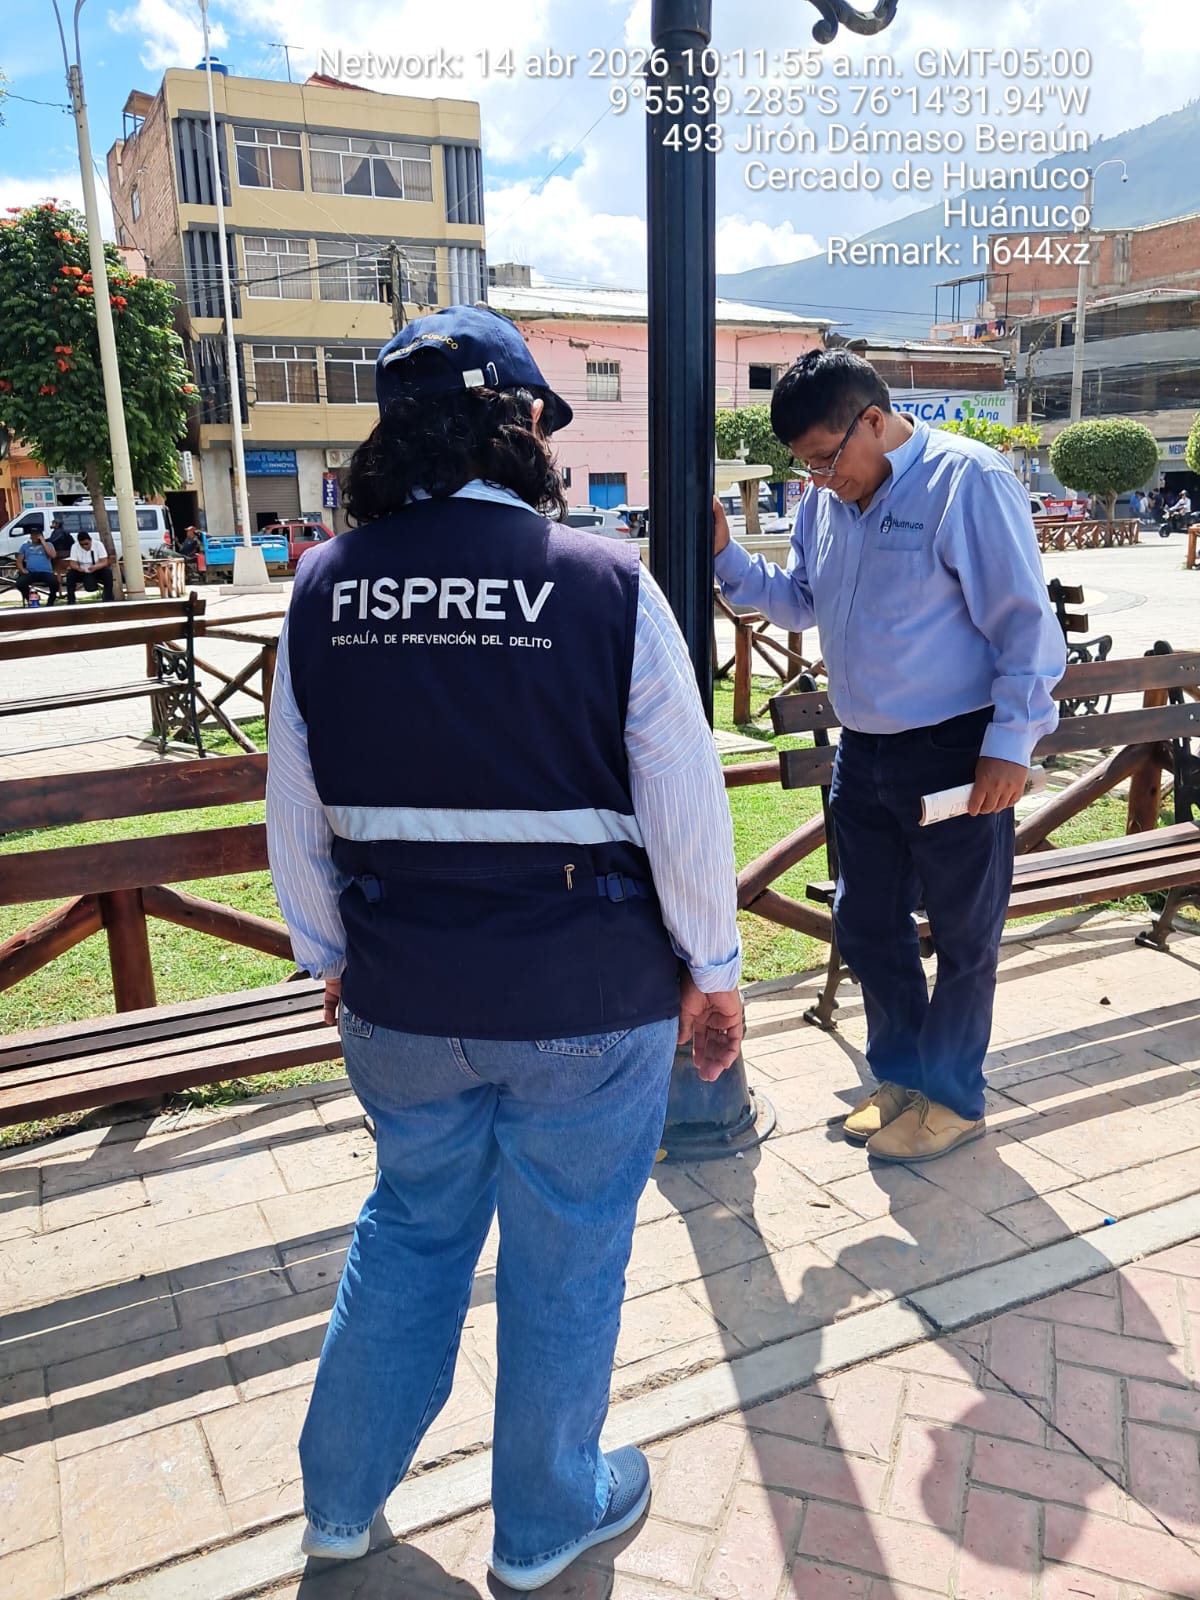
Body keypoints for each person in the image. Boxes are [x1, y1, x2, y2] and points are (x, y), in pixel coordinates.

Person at [265, 305, 742, 1591]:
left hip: (403, 995)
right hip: (586, 995)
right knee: (569, 1248)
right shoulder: (600, 584)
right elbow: (686, 809)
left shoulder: (318, 591)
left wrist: (330, 962)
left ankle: (339, 1506)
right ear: (523, 422)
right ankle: (543, 1525)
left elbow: (296, 820)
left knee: (410, 1227)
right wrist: (716, 973)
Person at [715, 349, 1066, 1165]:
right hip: (863, 751)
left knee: (964, 933)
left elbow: (1025, 628)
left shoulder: (964, 483)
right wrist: (729, 557)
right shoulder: (825, 502)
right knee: (867, 923)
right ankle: (902, 1083)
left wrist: (1009, 746)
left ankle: (954, 1100)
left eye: (828, 458)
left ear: (874, 419)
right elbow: (801, 600)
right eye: (805, 466)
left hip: (955, 749)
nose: (821, 479)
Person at [64, 530, 115, 603]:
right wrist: (78, 568)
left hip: (96, 570)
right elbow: (73, 563)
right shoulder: (75, 547)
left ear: (90, 540)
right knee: (70, 575)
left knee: (107, 572)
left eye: (86, 544)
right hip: (82, 571)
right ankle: (71, 600)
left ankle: (108, 598)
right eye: (82, 545)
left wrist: (96, 567)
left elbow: (104, 562)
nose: (85, 546)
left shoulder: (98, 545)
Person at [14, 528, 60, 605]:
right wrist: (22, 569)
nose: (34, 537)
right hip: (31, 572)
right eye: (32, 535)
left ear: (41, 536)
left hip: (46, 572)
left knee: (54, 582)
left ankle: (51, 600)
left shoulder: (48, 544)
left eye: (36, 535)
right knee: (20, 583)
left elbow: (53, 555)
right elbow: (19, 561)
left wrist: (43, 542)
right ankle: (31, 599)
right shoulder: (25, 546)